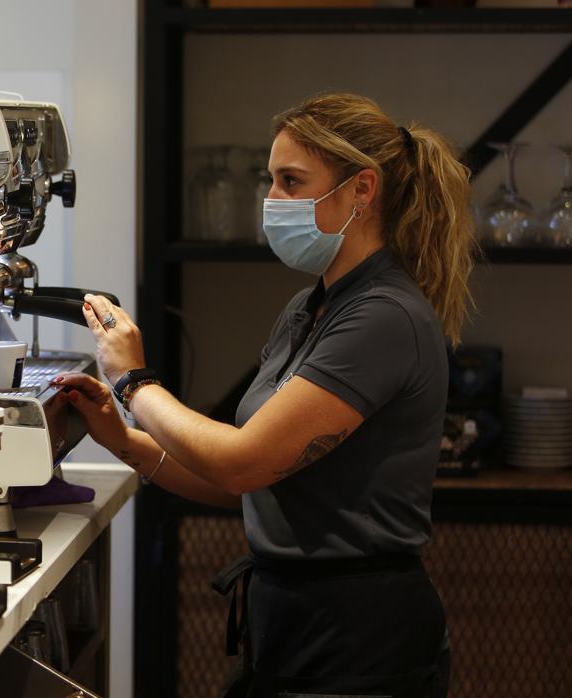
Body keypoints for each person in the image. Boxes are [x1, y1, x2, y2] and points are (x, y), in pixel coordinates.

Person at [54, 93, 473, 697]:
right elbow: (251, 483)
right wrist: (125, 442)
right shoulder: (310, 308)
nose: (271, 200)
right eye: (269, 180)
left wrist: (133, 381)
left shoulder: (383, 316)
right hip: (290, 621)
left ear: (362, 190)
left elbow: (243, 459)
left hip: (358, 636)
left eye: (291, 181)